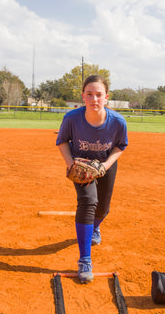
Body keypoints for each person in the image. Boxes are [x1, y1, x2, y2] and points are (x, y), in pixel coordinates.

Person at [56, 75, 128, 283]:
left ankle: (96, 226)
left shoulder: (117, 122)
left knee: (103, 208)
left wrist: (104, 167)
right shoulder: (72, 118)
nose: (94, 99)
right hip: (80, 166)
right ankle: (85, 260)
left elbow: (120, 146)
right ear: (83, 97)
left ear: (106, 97)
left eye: (98, 95)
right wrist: (71, 164)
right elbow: (62, 142)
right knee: (88, 202)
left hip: (105, 165)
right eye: (89, 94)